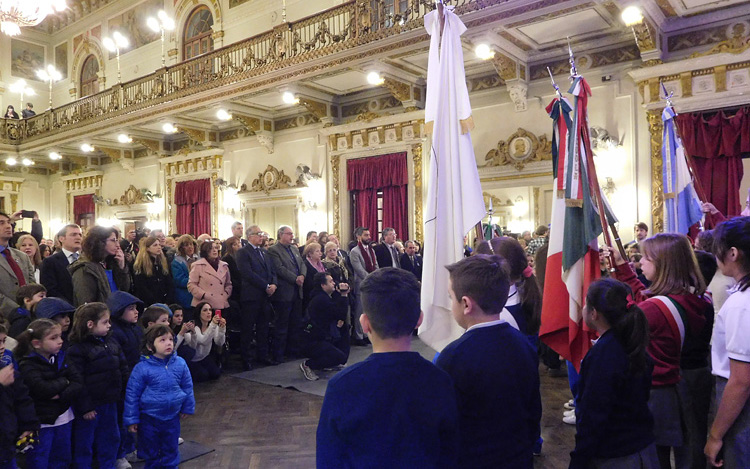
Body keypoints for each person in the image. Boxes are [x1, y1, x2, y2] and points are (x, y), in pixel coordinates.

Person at [317, 268, 459, 466]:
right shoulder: (440, 380)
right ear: (419, 319)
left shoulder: (342, 386)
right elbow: (450, 453)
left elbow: (330, 459)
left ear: (364, 323)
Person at [607, 233, 712, 468]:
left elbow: (639, 311)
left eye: (647, 258)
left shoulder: (652, 309)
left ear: (664, 265)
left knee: (654, 457)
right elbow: (646, 300)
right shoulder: (694, 297)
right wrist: (624, 268)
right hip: (682, 385)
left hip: (656, 390)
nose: (640, 263)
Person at [435, 255, 542, 468]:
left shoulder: (452, 357)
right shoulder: (524, 345)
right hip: (518, 457)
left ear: (465, 303)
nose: (450, 303)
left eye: (450, 297)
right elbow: (533, 410)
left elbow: (446, 425)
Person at [569, 278, 658, 468]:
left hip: (616, 455)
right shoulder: (631, 340)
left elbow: (594, 415)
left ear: (594, 314)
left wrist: (579, 459)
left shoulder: (604, 355)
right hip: (641, 446)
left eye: (586, 304)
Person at [704, 217, 750, 468]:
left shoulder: (742, 304)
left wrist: (715, 435)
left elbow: (741, 380)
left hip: (740, 405)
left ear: (733, 253)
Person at [67, 302, 129, 469]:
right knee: (85, 442)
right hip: (91, 407)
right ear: (90, 324)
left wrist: (124, 390)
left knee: (110, 437)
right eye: (105, 322)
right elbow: (77, 380)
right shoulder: (77, 350)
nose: (109, 325)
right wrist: (85, 407)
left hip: (110, 401)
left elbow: (122, 366)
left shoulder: (111, 342)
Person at [124, 324, 195, 469]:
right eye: (162, 340)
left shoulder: (180, 363)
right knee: (151, 452)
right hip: (149, 418)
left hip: (172, 417)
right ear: (150, 346)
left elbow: (187, 387)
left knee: (171, 449)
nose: (168, 343)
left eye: (170, 339)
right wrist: (132, 419)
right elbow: (132, 395)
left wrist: (187, 407)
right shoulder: (142, 368)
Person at [16, 318, 83, 469]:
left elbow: (78, 382)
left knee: (62, 458)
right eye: (53, 338)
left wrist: (60, 394)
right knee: (40, 459)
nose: (60, 341)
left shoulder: (62, 357)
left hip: (64, 417)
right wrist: (65, 381)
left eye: (60, 336)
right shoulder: (27, 364)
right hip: (42, 422)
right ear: (36, 343)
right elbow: (43, 389)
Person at [236, 225, 277, 369]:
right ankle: (246, 358)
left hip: (265, 297)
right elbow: (248, 274)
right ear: (250, 236)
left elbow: (272, 271)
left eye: (261, 233)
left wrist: (274, 284)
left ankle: (263, 355)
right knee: (248, 328)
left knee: (263, 327)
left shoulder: (264, 253)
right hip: (251, 296)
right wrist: (266, 286)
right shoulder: (243, 252)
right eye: (258, 234)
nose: (261, 236)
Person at [299, 273, 350, 381]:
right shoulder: (321, 299)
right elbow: (340, 313)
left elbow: (338, 312)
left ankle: (325, 363)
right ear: (323, 285)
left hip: (321, 336)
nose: (334, 283)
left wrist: (340, 294)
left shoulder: (323, 296)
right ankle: (309, 365)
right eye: (331, 281)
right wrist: (344, 295)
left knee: (344, 331)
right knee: (340, 357)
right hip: (312, 340)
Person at [0, 328, 38, 469]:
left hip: (6, 442)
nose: (3, 347)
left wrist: (28, 425)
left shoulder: (6, 369)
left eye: (4, 341)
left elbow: (22, 399)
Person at [268, 225, 307, 363]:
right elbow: (279, 268)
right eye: (289, 234)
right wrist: (295, 278)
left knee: (296, 324)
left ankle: (293, 351)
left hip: (297, 292)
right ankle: (279, 354)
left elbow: (302, 264)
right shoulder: (274, 250)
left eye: (292, 234)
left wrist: (302, 275)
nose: (292, 236)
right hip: (285, 292)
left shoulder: (294, 249)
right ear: (281, 235)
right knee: (282, 325)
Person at [69, 226, 130, 306]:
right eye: (113, 240)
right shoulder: (85, 268)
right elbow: (87, 304)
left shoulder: (110, 263)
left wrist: (122, 267)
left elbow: (124, 289)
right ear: (100, 242)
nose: (118, 245)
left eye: (117, 241)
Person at [0, 211, 36, 318]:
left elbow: (32, 283)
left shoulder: (22, 256)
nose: (8, 226)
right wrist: (18, 311)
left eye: (8, 222)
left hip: (29, 314)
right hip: (5, 319)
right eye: (1, 223)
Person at [187, 240, 232, 318]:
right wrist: (203, 294)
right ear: (205, 251)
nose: (214, 250)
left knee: (220, 328)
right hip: (203, 304)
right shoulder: (198, 265)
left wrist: (225, 295)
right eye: (210, 249)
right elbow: (191, 284)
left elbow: (228, 284)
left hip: (221, 303)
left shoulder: (224, 265)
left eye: (216, 248)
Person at [183, 302, 226, 382]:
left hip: (204, 357)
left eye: (210, 310)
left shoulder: (212, 326)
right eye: (205, 310)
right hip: (193, 359)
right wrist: (213, 325)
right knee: (203, 376)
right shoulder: (195, 327)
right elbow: (203, 341)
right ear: (199, 313)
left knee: (216, 374)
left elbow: (219, 342)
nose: (209, 312)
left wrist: (221, 329)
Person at [348, 227, 378, 344]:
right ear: (359, 237)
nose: (368, 237)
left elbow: (375, 265)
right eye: (366, 235)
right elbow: (359, 270)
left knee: (368, 311)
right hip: (361, 284)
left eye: (369, 235)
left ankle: (366, 334)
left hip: (371, 283)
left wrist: (376, 276)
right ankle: (358, 335)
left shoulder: (371, 250)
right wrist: (371, 279)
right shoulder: (355, 251)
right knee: (360, 311)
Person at [40, 224, 82, 306]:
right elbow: (50, 290)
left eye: (80, 235)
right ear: (61, 238)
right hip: (64, 310)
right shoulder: (50, 262)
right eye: (73, 234)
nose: (78, 237)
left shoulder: (86, 260)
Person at [133, 237, 174, 307]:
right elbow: (142, 288)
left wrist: (167, 301)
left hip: (164, 302)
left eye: (159, 245)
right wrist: (155, 302)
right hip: (148, 303)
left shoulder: (163, 263)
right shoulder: (141, 265)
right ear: (147, 248)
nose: (159, 247)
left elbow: (169, 283)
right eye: (155, 245)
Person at [171, 235, 199, 311]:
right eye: (186, 245)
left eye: (191, 244)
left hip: (200, 297)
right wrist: (197, 280)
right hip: (186, 297)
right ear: (181, 248)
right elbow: (179, 281)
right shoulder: (177, 262)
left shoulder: (200, 259)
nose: (190, 247)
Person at [302, 242, 326, 309]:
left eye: (320, 251)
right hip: (311, 295)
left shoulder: (321, 264)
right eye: (317, 251)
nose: (320, 253)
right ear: (310, 254)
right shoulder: (306, 265)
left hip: (321, 294)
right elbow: (308, 282)